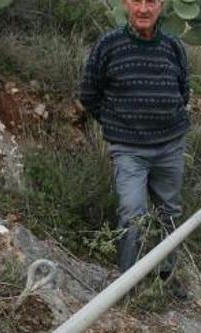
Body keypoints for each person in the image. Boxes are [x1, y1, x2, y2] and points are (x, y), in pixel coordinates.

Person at [80, 0, 189, 298]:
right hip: (129, 150)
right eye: (136, 0)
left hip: (169, 145)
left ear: (162, 5)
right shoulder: (108, 44)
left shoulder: (173, 47)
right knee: (132, 212)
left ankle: (166, 275)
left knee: (169, 212)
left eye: (151, 1)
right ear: (126, 4)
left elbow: (183, 91)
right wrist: (116, 125)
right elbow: (89, 93)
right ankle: (127, 282)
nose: (143, 8)